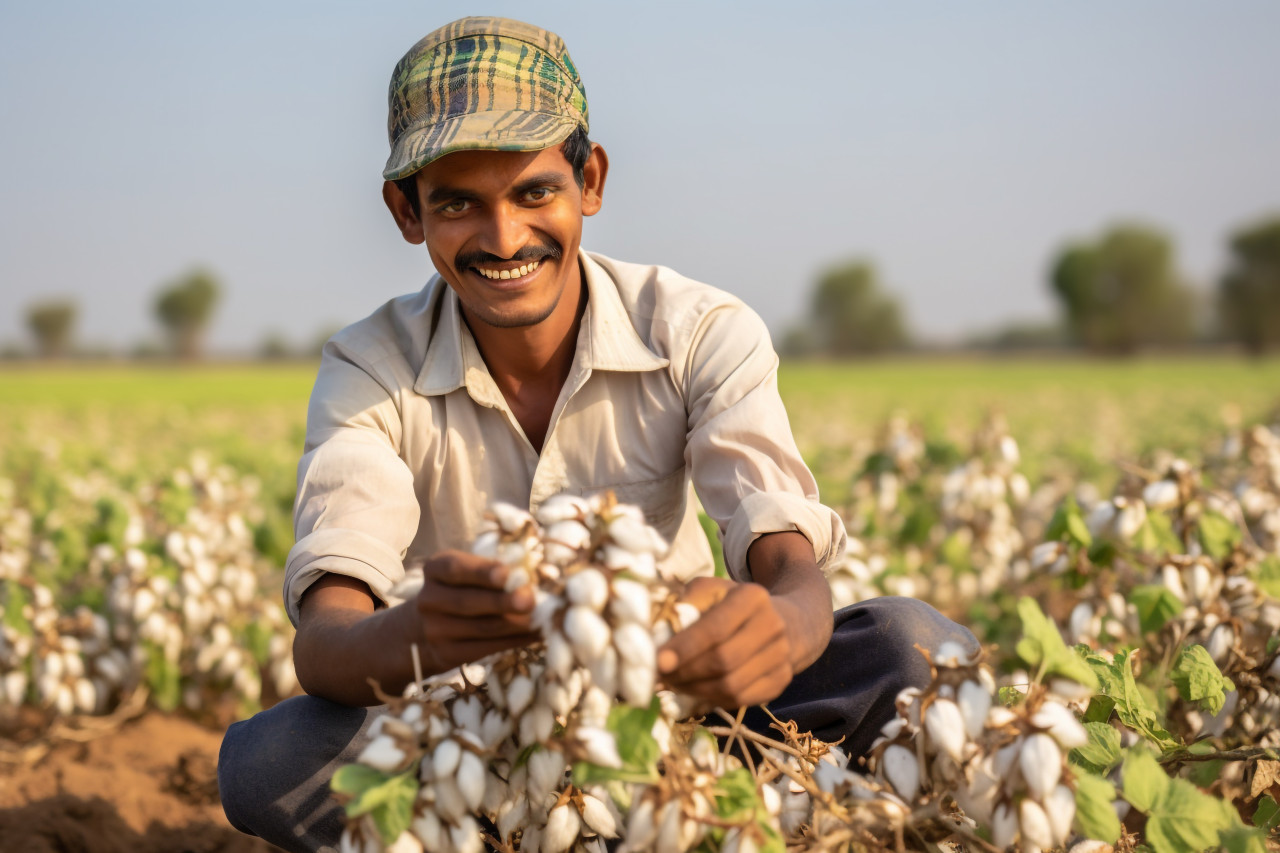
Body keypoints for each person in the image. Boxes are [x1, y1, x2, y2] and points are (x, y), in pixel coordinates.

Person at [217, 16, 977, 853]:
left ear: (591, 180)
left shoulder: (696, 329)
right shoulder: (370, 367)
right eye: (458, 203)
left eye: (534, 191)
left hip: (690, 716)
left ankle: (682, 814)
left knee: (917, 648)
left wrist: (779, 628)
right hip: (477, 732)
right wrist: (418, 633)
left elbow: (788, 558)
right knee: (268, 759)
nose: (504, 238)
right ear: (406, 210)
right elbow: (326, 641)